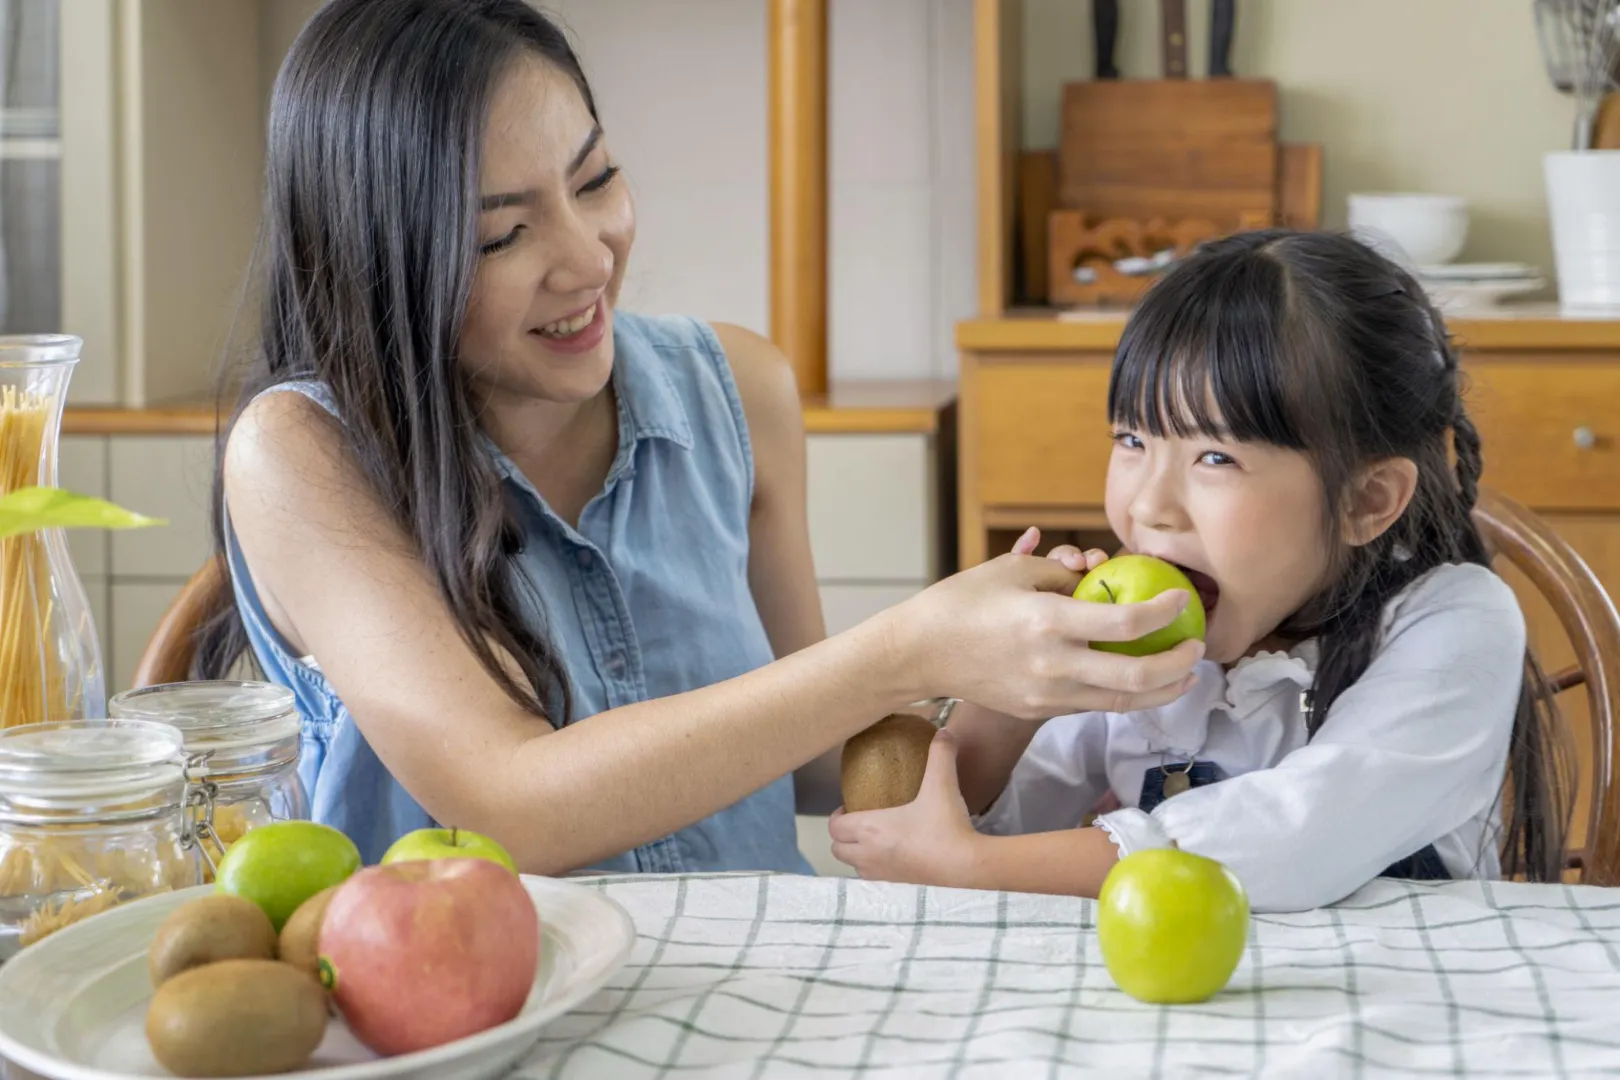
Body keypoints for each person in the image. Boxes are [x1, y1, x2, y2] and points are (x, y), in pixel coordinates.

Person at [194, 0, 1205, 876]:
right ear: (378, 260)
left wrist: (1019, 678)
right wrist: (906, 648)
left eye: (595, 179)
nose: (588, 258)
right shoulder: (303, 452)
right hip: (486, 1004)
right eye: (502, 234)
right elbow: (511, 804)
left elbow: (818, 766)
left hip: (750, 981)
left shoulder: (738, 391)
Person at [828, 230, 1573, 912]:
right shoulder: (1133, 643)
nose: (1148, 505)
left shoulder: (1455, 623)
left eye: (1215, 457)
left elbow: (1297, 838)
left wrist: (974, 868)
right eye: (1132, 439)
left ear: (1365, 500)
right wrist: (1017, 695)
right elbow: (999, 828)